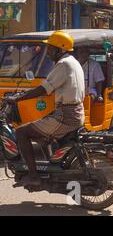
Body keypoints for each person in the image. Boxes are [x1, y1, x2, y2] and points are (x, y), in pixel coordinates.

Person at [6, 31, 85, 186]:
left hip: (65, 115)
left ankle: (34, 176)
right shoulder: (73, 62)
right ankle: (47, 168)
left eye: (50, 49)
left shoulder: (63, 64)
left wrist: (18, 98)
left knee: (21, 132)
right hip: (73, 112)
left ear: (59, 49)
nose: (48, 52)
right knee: (40, 131)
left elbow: (44, 88)